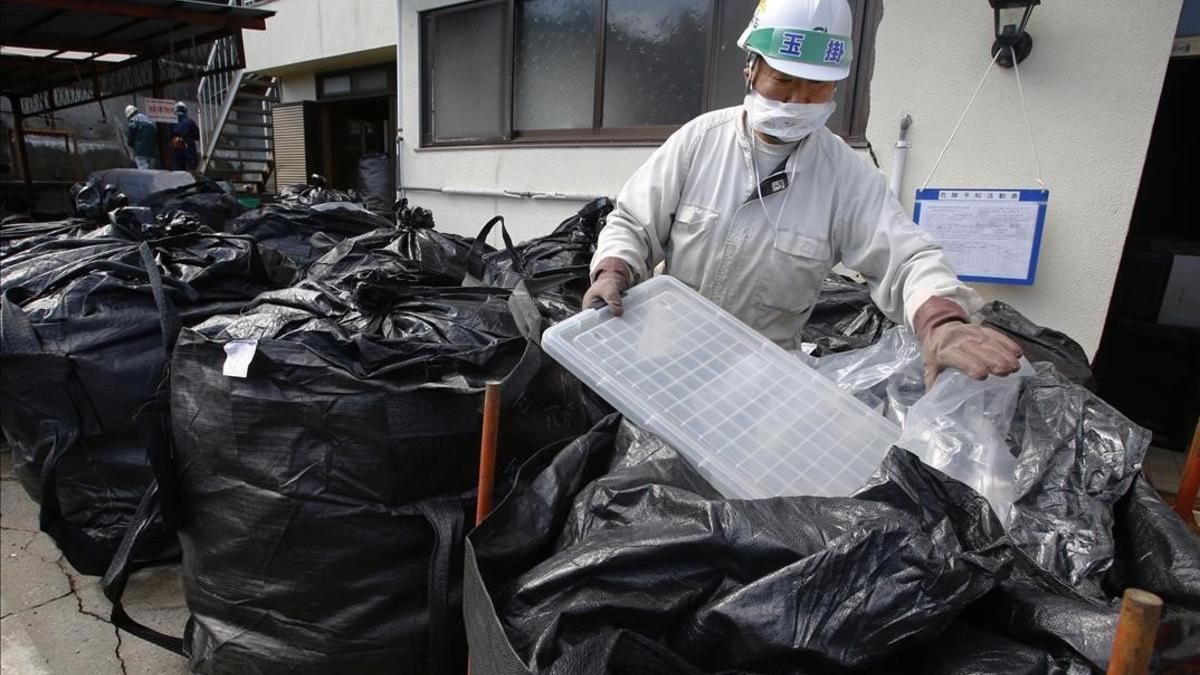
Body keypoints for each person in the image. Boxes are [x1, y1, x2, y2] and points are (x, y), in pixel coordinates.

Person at [583, 0, 1023, 390]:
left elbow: (907, 258)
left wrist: (940, 320)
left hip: (760, 382)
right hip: (663, 364)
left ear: (836, 87)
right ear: (751, 69)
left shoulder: (846, 177)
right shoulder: (700, 141)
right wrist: (614, 269)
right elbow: (634, 223)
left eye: (817, 87)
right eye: (783, 80)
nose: (798, 100)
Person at [124, 105, 158, 170]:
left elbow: (131, 135)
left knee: (143, 174)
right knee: (152, 173)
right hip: (152, 153)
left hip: (141, 153)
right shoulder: (148, 120)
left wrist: (129, 144)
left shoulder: (133, 120)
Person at [170, 102, 201, 172]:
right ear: (185, 110)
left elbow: (168, 135)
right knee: (192, 171)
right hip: (189, 149)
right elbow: (197, 136)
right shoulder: (190, 122)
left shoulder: (171, 123)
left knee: (178, 170)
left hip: (176, 150)